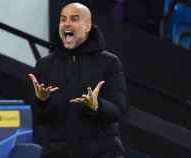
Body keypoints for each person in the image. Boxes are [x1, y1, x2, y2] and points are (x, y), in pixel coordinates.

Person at [29, 2, 128, 158]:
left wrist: (97, 106)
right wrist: (42, 102)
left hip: (102, 152)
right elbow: (41, 120)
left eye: (74, 19)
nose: (67, 23)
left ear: (88, 26)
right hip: (57, 152)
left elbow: (118, 110)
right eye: (63, 19)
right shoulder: (45, 64)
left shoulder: (109, 62)